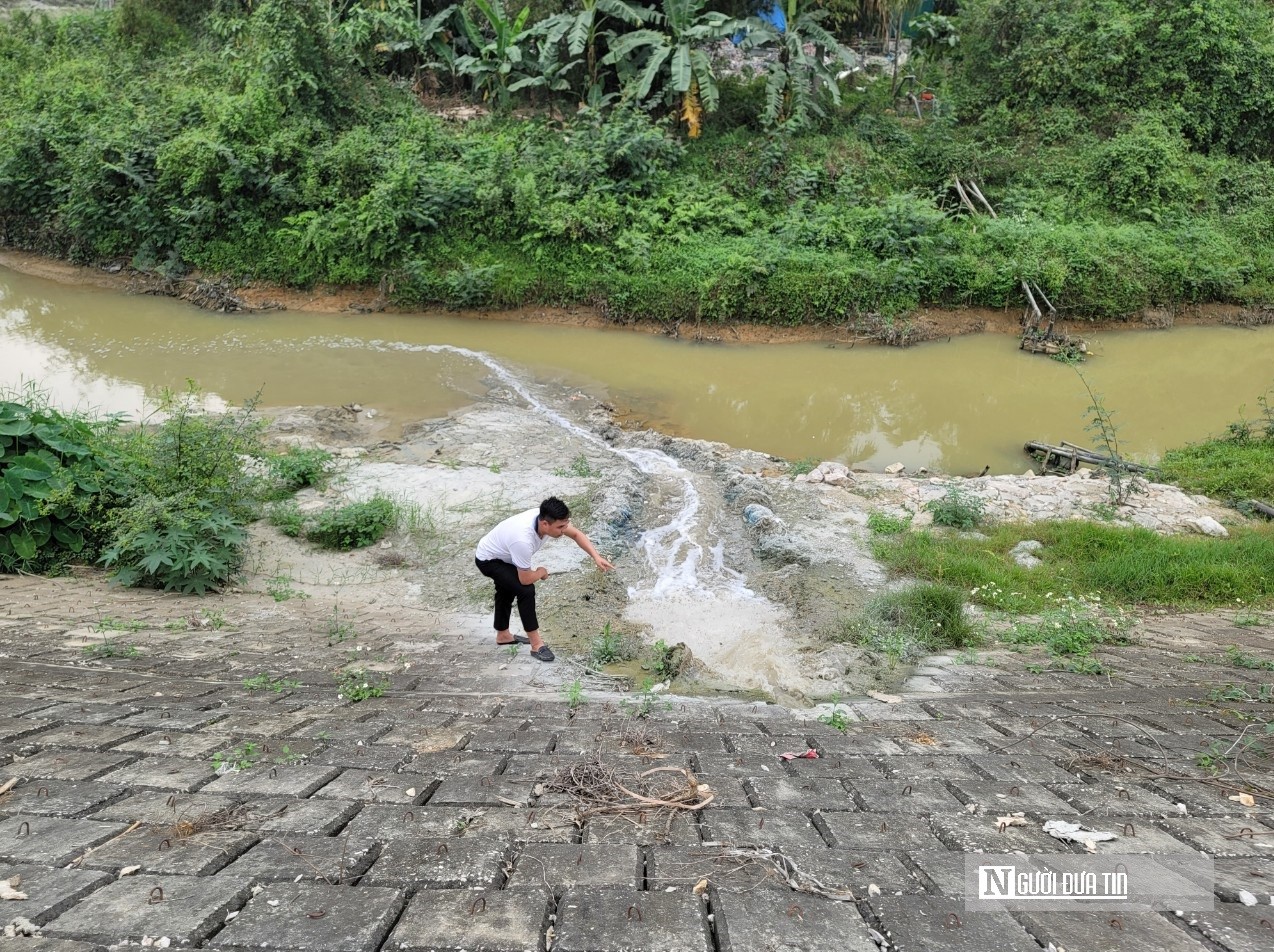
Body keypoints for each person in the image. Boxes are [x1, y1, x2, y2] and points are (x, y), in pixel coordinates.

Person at [474, 496, 614, 662]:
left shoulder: (547, 519)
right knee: (525, 590)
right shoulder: (523, 539)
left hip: (506, 556)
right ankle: (537, 645)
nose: (564, 531)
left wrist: (596, 557)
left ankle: (503, 635)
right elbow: (525, 579)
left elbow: (576, 534)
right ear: (545, 524)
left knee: (507, 588)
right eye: (560, 527)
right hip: (488, 559)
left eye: (565, 525)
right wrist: (541, 572)